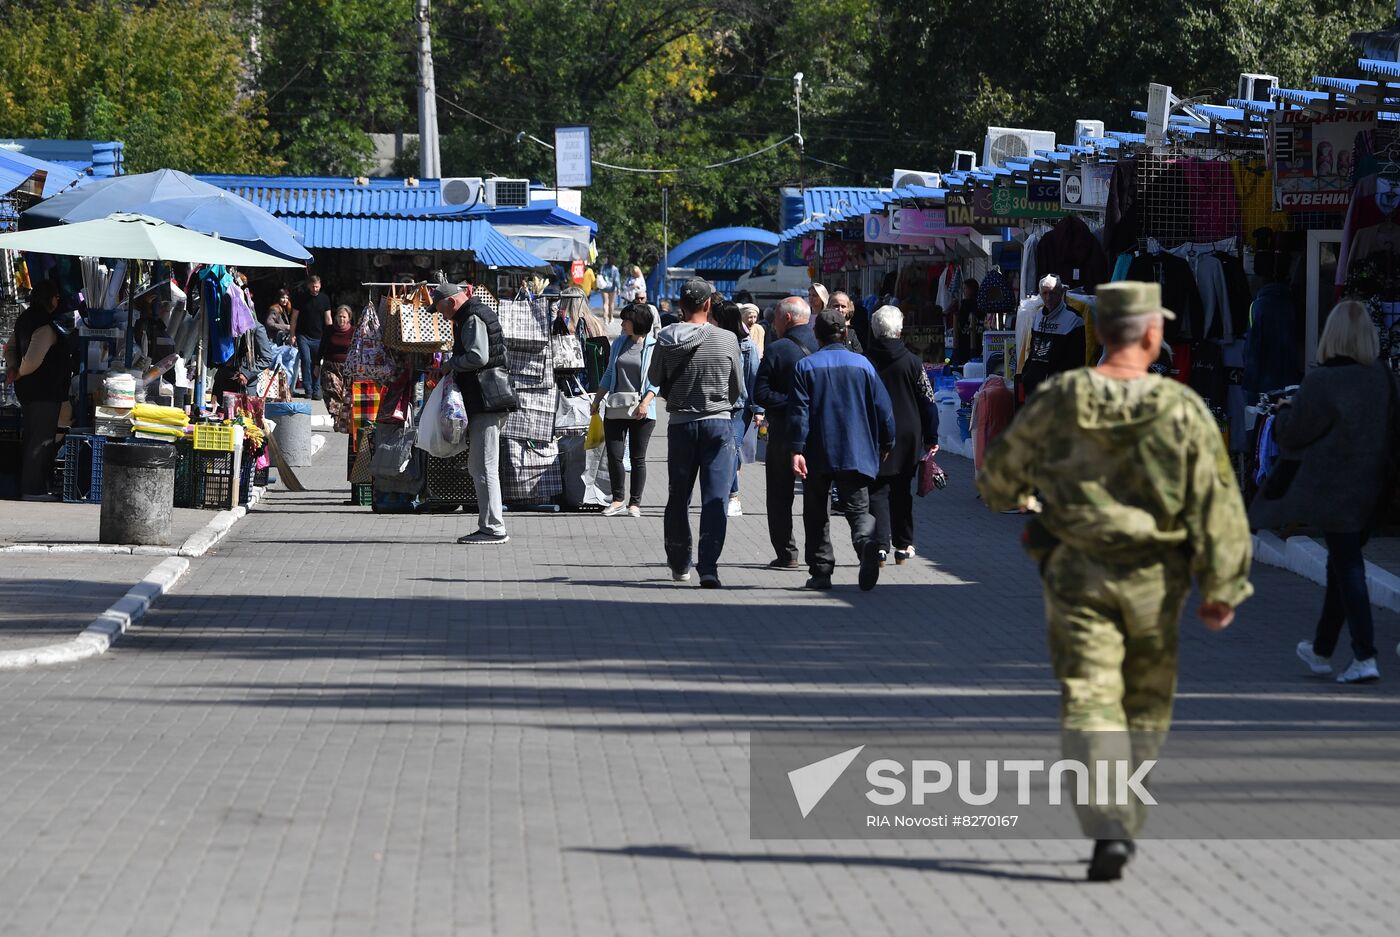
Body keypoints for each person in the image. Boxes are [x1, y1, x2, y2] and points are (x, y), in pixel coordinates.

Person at [977, 281, 1253, 881]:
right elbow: (1218, 503)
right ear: (1153, 336)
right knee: (1146, 704)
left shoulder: (1062, 397)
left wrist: (1026, 497)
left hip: (1077, 575)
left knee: (1089, 695)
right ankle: (1123, 807)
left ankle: (1108, 820)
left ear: (1100, 333)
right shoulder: (1182, 409)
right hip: (1157, 581)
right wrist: (1223, 585)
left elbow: (999, 474)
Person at [1249, 301, 1395, 684]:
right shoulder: (1383, 376)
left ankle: (1365, 655)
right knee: (1341, 564)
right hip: (1375, 487)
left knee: (1348, 568)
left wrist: (1281, 412)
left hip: (1334, 490)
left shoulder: (1322, 381)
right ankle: (1322, 648)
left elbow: (1294, 432)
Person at [789, 309, 895, 591]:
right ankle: (865, 543)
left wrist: (796, 449)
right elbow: (883, 409)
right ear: (845, 333)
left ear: (816, 335)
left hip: (818, 449)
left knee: (816, 512)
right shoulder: (863, 365)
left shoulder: (805, 366)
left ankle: (821, 572)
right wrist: (887, 442)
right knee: (858, 509)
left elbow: (799, 413)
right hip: (856, 449)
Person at [648, 277, 742, 588]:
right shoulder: (727, 339)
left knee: (678, 496)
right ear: (707, 305)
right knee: (715, 498)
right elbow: (737, 388)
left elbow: (655, 377)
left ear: (680, 305)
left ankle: (679, 564)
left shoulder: (665, 337)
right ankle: (709, 567)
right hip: (718, 422)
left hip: (680, 423)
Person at [439, 281, 519, 545]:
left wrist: (451, 364)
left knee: (484, 466)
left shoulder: (472, 317)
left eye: (441, 310)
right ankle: (489, 524)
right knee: (480, 465)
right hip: (487, 400)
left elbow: (478, 357)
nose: (442, 316)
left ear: (452, 302)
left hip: (487, 400)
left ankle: (494, 527)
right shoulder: (474, 314)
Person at [865, 305, 939, 565]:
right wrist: (932, 436)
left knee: (877, 490)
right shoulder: (912, 362)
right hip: (908, 435)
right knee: (902, 490)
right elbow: (928, 401)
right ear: (899, 330)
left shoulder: (866, 362)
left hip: (875, 433)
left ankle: (880, 545)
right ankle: (904, 544)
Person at [753, 296, 818, 569]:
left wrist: (790, 402)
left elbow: (761, 392)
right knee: (817, 494)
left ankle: (787, 553)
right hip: (817, 432)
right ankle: (818, 553)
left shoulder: (777, 349)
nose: (774, 324)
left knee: (779, 495)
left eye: (776, 319)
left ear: (787, 318)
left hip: (783, 431)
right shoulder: (822, 345)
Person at [4, 283, 71, 499]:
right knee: (40, 440)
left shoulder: (24, 319)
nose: (58, 301)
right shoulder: (45, 325)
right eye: (56, 297)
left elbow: (11, 348)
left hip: (29, 391)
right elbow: (33, 360)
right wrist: (20, 371)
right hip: (44, 390)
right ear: (49, 298)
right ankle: (32, 490)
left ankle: (31, 487)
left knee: (34, 436)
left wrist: (14, 368)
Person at [591, 302, 659, 518]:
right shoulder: (619, 343)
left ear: (637, 323)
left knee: (638, 458)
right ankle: (618, 500)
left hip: (642, 409)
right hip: (616, 406)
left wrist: (646, 402)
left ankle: (635, 503)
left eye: (626, 320)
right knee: (614, 455)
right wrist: (597, 399)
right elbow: (610, 372)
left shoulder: (653, 346)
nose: (622, 324)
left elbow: (656, 381)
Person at [711, 300, 761, 517]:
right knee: (728, 450)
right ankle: (723, 493)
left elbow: (754, 378)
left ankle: (734, 496)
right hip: (715, 404)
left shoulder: (747, 345)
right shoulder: (711, 340)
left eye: (714, 317)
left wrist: (758, 409)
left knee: (731, 449)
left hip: (739, 407)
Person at [1019, 273, 1086, 398]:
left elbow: (1076, 361)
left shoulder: (1074, 319)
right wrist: (1026, 376)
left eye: (1053, 293)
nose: (1049, 297)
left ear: (1061, 293)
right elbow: (1033, 350)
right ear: (1040, 294)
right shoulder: (1037, 316)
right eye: (1045, 293)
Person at [289, 275, 331, 399]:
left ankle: (316, 389)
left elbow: (328, 319)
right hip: (303, 335)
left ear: (320, 285)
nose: (315, 289)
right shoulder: (301, 298)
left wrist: (331, 335)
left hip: (319, 336)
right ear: (308, 286)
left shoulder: (324, 299)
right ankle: (308, 389)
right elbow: (294, 318)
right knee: (306, 360)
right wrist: (292, 335)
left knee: (316, 363)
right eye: (312, 286)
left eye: (317, 286)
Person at [319, 305, 355, 433]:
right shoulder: (329, 330)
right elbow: (322, 347)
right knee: (332, 393)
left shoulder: (353, 332)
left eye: (344, 317)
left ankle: (342, 421)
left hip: (346, 369)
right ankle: (335, 418)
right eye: (339, 316)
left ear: (349, 318)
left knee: (344, 396)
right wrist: (317, 365)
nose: (341, 319)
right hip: (330, 367)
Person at [262, 287, 300, 389]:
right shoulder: (274, 309)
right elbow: (269, 323)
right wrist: (286, 327)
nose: (285, 300)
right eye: (283, 297)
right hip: (274, 342)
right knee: (277, 365)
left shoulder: (284, 309)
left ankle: (284, 387)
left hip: (280, 342)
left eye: (287, 298)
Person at [954, 278, 979, 364]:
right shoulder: (979, 304)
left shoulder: (966, 305)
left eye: (965, 288)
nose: (964, 291)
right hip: (976, 340)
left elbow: (961, 320)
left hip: (965, 340)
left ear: (971, 289)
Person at [598, 256, 621, 323]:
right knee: (611, 303)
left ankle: (605, 318)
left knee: (605, 303)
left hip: (604, 287)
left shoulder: (603, 267)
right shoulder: (615, 269)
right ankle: (611, 318)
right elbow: (616, 280)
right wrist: (618, 287)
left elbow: (600, 276)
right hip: (612, 288)